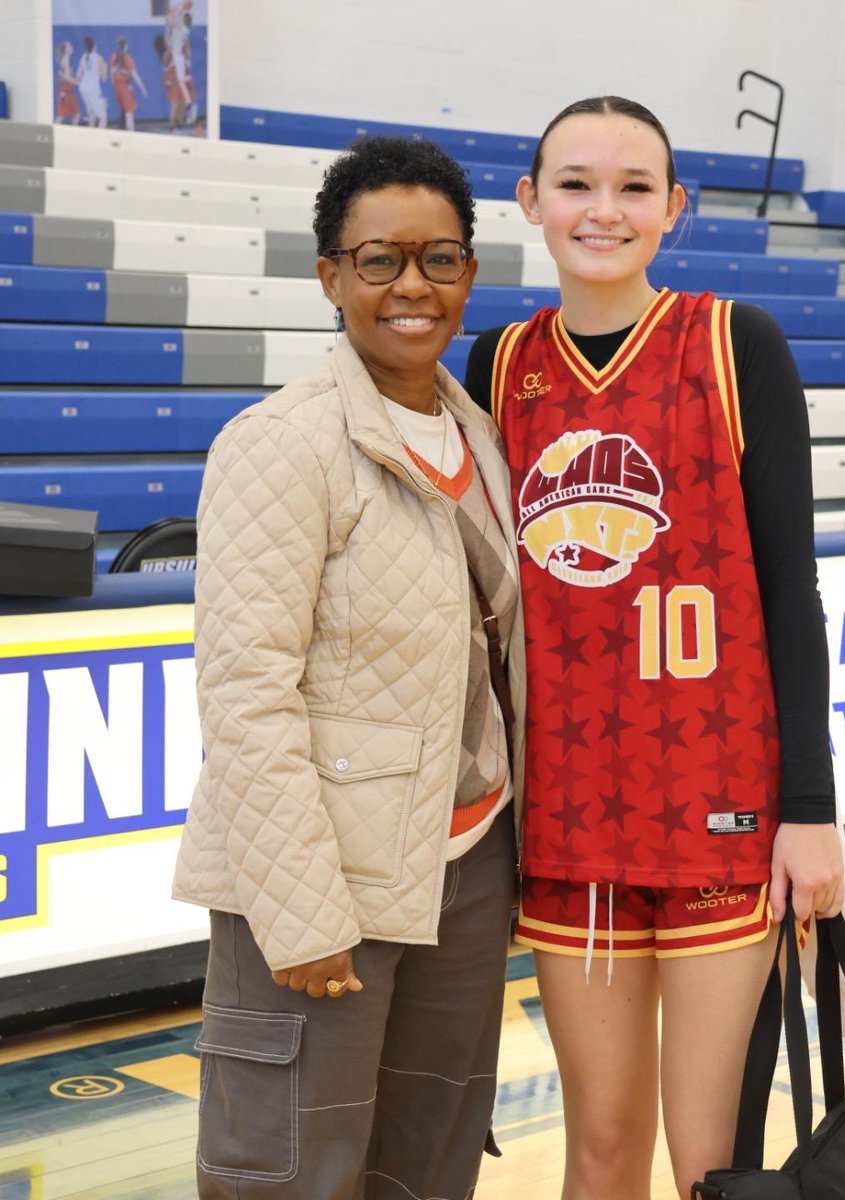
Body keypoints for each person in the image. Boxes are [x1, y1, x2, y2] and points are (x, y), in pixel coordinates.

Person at [464, 95, 845, 1200]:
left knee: (711, 1164)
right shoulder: (499, 363)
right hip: (569, 812)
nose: (604, 209)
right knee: (598, 1151)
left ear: (674, 207)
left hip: (722, 808)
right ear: (530, 200)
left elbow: (790, 587)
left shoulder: (736, 344)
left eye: (635, 188)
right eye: (576, 183)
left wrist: (810, 811)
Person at [173, 135, 525, 1200]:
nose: (411, 286)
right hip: (322, 893)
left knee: (427, 1168)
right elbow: (245, 691)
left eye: (441, 258)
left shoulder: (484, 435)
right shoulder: (281, 443)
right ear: (331, 275)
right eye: (379, 260)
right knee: (291, 1177)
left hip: (462, 875)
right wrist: (301, 912)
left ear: (470, 272)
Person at [109, 36, 147, 133]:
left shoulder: (113, 57)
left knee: (123, 111)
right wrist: (142, 88)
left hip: (117, 87)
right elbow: (135, 75)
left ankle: (123, 133)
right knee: (129, 113)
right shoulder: (127, 58)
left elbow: (111, 73)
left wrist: (114, 83)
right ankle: (131, 135)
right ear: (126, 46)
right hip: (124, 87)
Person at [75, 36, 107, 129]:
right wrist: (105, 67)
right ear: (94, 46)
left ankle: (91, 137)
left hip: (83, 88)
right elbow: (104, 78)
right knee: (103, 116)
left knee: (91, 113)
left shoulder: (83, 57)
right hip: (93, 88)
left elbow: (78, 76)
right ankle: (100, 138)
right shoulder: (99, 58)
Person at [54, 42, 80, 125]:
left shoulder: (66, 59)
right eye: (70, 45)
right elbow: (67, 77)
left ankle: (69, 133)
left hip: (65, 89)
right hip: (65, 90)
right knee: (69, 114)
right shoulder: (66, 59)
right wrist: (78, 83)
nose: (71, 47)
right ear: (66, 49)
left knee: (70, 114)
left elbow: (64, 75)